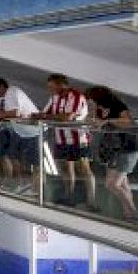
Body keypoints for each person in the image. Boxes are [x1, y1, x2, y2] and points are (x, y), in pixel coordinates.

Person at [36, 73, 94, 209]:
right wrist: (43, 116)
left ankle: (91, 202)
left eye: (52, 87)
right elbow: (45, 114)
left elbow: (68, 117)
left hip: (78, 138)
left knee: (83, 168)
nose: (50, 90)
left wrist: (49, 116)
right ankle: (69, 196)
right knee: (66, 168)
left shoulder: (76, 96)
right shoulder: (54, 97)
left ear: (61, 84)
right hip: (60, 138)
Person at [86, 85, 138, 221]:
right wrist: (92, 114)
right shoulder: (100, 109)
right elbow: (92, 123)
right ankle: (128, 213)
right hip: (114, 149)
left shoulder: (117, 105)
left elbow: (128, 122)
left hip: (126, 148)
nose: (89, 101)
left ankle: (133, 212)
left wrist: (108, 121)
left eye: (91, 99)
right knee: (122, 183)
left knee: (112, 184)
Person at [0, 77, 40, 186]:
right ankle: (21, 184)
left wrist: (1, 114)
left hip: (33, 131)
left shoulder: (12, 92)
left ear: (1, 87)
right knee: (13, 157)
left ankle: (36, 190)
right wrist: (1, 113)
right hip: (19, 131)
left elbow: (15, 113)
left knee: (35, 164)